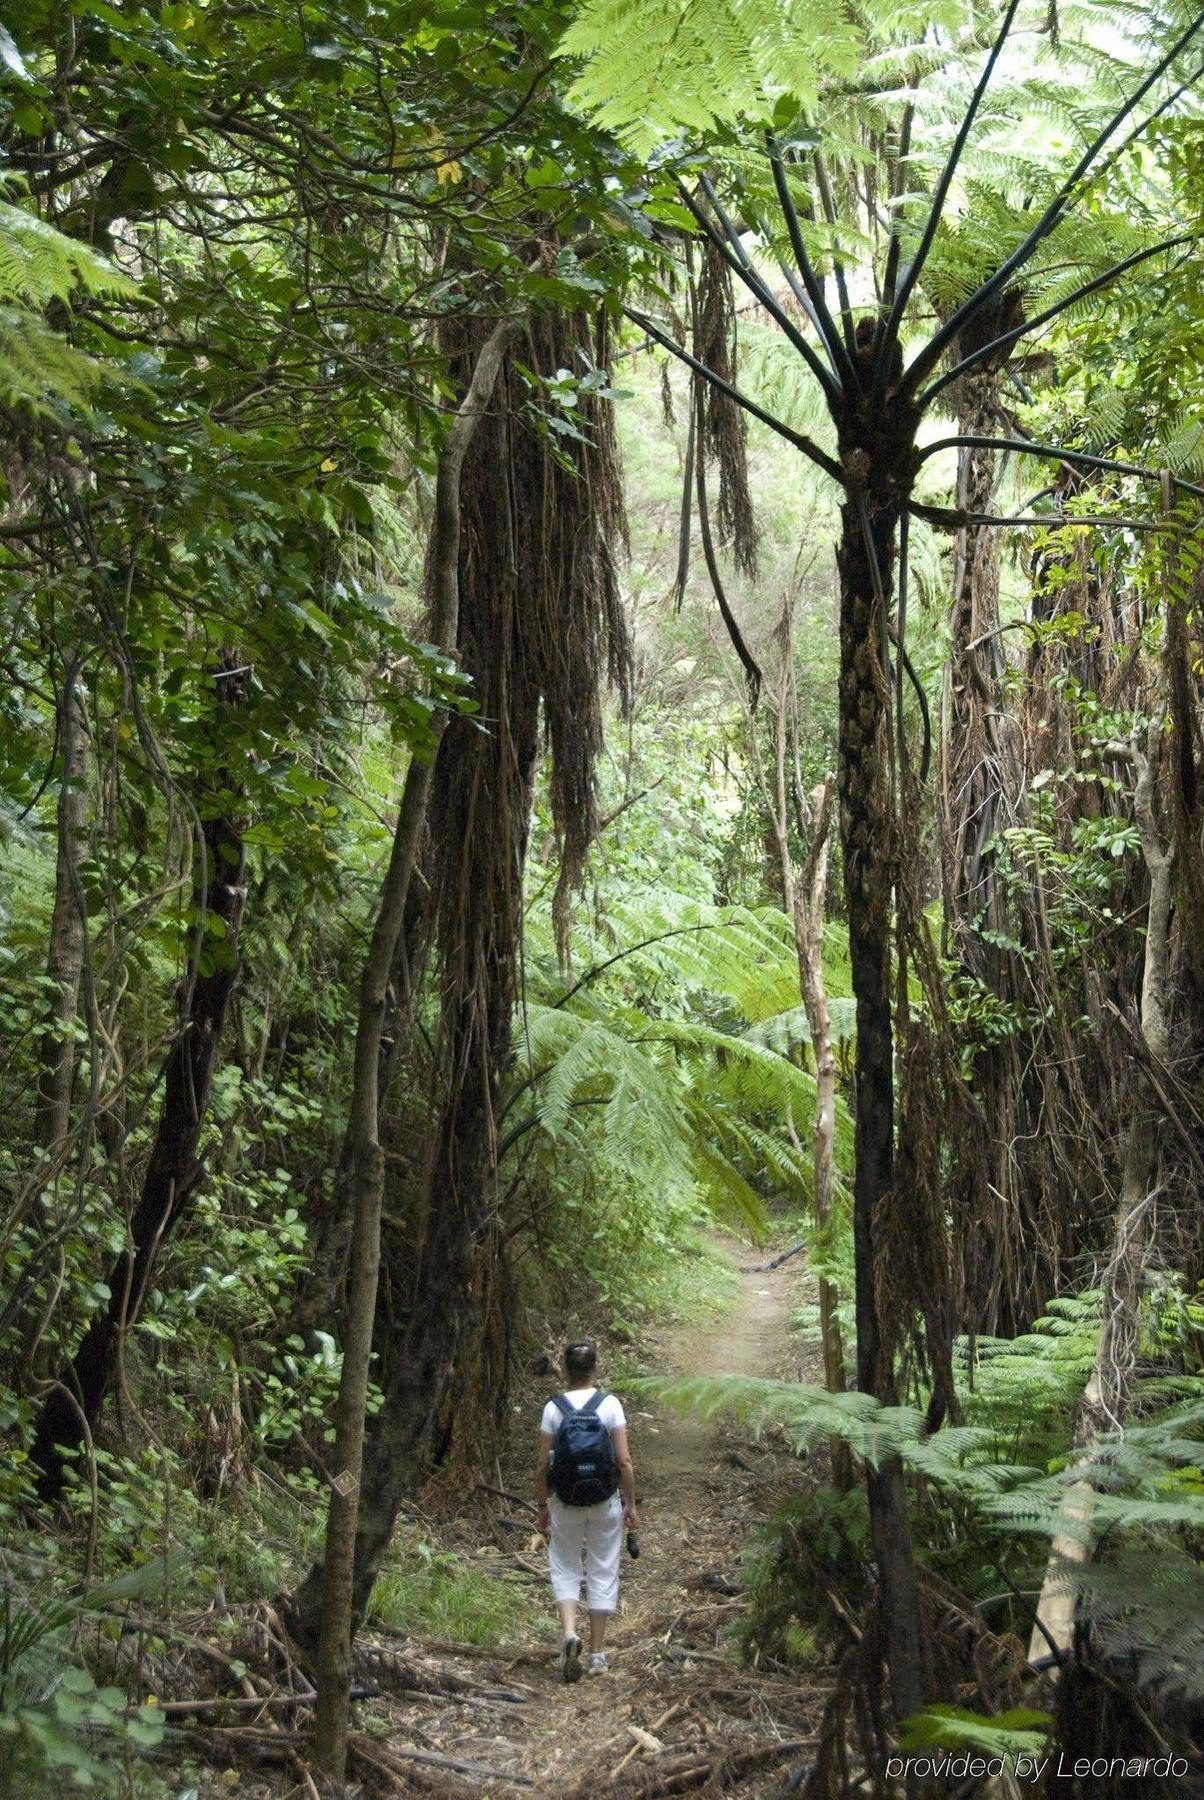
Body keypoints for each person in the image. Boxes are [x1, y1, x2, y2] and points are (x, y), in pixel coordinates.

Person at [536, 1340, 637, 1681]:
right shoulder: (610, 1405)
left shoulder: (553, 1408)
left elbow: (541, 1466)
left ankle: (568, 1633)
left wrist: (542, 1504)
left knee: (564, 1566)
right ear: (596, 1368)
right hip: (605, 1502)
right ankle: (596, 1654)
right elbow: (623, 1461)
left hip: (565, 1502)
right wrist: (631, 1503)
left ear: (565, 1370)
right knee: (603, 1569)